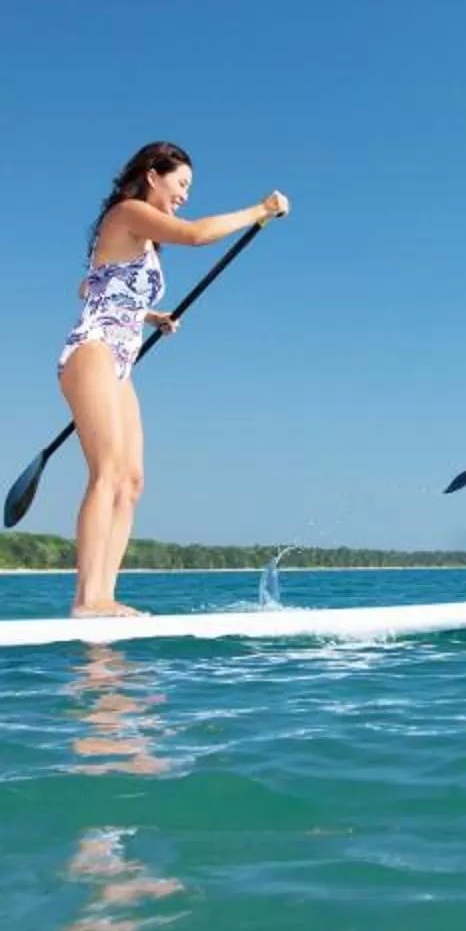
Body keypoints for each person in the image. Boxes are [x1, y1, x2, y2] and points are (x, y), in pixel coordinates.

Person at [60, 141, 289, 616]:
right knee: (105, 473)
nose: (185, 194)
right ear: (152, 176)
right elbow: (196, 235)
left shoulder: (137, 237)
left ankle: (104, 594)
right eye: (180, 183)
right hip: (94, 351)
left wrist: (150, 315)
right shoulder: (127, 212)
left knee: (133, 481)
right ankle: (87, 600)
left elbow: (92, 286)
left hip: (121, 358)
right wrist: (259, 210)